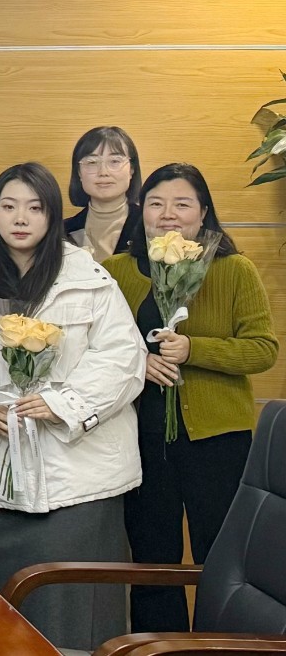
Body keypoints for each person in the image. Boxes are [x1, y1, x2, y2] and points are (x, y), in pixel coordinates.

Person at [0, 163, 144, 651]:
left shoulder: (88, 275)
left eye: (35, 208)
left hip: (82, 479)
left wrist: (63, 404)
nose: (20, 218)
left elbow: (124, 358)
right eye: (9, 206)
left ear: (53, 214)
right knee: (4, 618)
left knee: (78, 617)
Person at [102, 163, 277, 634]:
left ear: (203, 213)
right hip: (141, 438)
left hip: (217, 442)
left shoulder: (233, 270)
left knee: (220, 557)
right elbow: (94, 349)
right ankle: (161, 644)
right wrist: (138, 362)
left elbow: (263, 349)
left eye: (182, 204)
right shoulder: (115, 272)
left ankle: (221, 644)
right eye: (156, 204)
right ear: (141, 213)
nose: (168, 214)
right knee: (151, 558)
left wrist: (194, 349)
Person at [63, 126, 142, 262]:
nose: (103, 172)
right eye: (92, 162)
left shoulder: (149, 224)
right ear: (79, 172)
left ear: (132, 170)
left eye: (115, 161)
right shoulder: (62, 232)